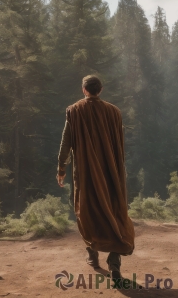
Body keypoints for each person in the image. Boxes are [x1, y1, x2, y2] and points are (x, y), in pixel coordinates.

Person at [57, 75, 135, 280]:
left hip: (86, 174)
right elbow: (119, 145)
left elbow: (66, 142)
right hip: (112, 174)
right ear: (100, 90)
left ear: (84, 90)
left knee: (86, 211)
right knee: (115, 213)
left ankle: (92, 254)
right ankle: (114, 262)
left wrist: (61, 168)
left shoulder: (74, 111)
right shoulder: (114, 112)